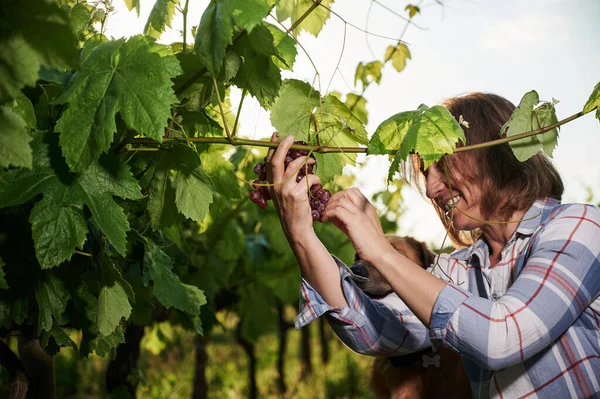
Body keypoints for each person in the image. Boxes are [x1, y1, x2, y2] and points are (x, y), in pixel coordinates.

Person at [265, 92, 600, 398]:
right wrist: (301, 233)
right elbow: (373, 329)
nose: (431, 187)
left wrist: (380, 249)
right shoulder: (458, 269)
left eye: (442, 163)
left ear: (491, 152)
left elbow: (502, 337)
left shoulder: (578, 226)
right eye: (426, 171)